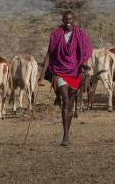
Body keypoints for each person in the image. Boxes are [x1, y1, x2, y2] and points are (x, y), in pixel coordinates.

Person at [38, 11, 92, 146]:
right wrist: (41, 74)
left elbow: (85, 51)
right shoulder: (56, 35)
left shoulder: (80, 35)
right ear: (62, 20)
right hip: (60, 72)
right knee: (65, 100)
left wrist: (84, 63)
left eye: (71, 19)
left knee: (71, 103)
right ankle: (65, 136)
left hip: (75, 72)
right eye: (66, 19)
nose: (68, 21)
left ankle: (67, 133)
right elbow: (49, 54)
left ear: (74, 20)